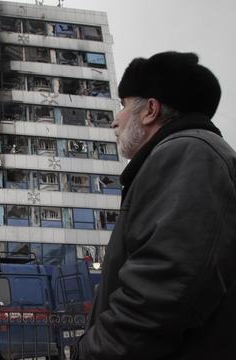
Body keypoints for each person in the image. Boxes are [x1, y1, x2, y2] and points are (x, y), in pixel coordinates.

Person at [73, 52, 236, 359]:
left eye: (123, 106)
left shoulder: (188, 153)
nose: (115, 121)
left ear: (150, 110)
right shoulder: (186, 155)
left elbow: (162, 293)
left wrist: (91, 352)